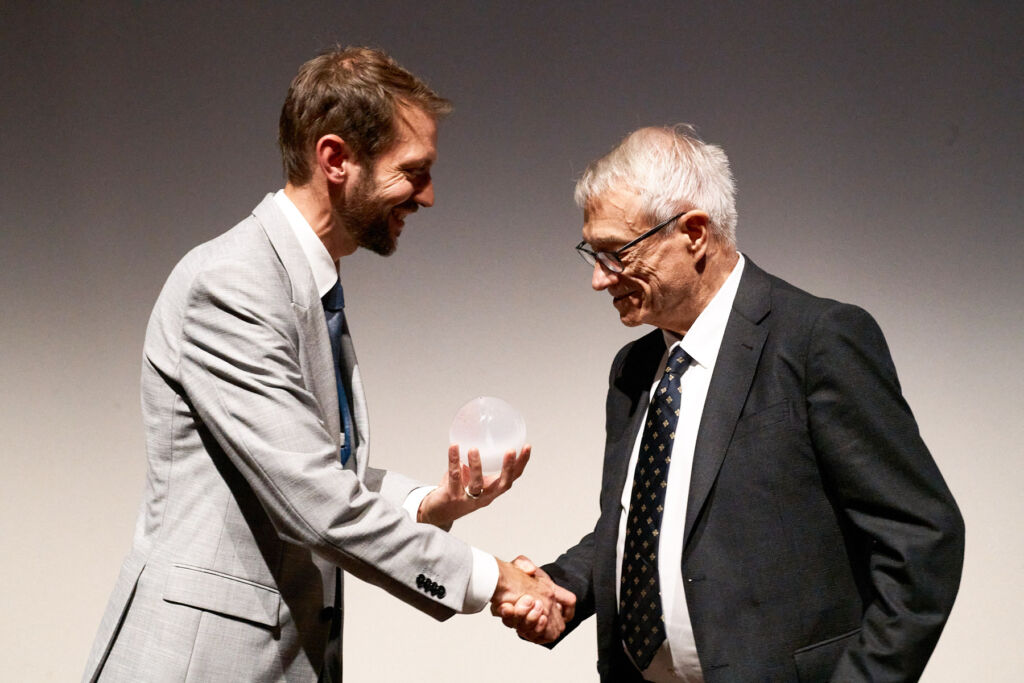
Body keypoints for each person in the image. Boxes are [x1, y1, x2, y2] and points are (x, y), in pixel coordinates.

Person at [82, 46, 572, 683]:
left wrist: (430, 503)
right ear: (335, 159)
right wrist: (489, 578)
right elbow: (314, 500)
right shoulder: (234, 284)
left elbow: (308, 470)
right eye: (413, 171)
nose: (428, 196)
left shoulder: (305, 282)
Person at [500, 125, 964, 682]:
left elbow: (922, 540)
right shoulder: (633, 368)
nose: (600, 279)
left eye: (615, 253)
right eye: (591, 254)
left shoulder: (818, 340)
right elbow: (645, 524)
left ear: (694, 232)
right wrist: (565, 587)